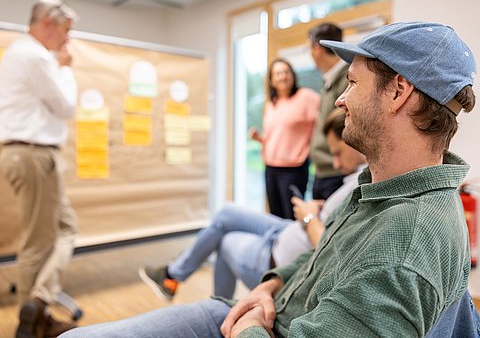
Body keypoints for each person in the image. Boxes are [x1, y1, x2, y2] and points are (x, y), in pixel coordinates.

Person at [61, 21, 476, 338]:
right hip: (263, 310)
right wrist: (271, 284)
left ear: (398, 91)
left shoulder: (404, 246)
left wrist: (251, 324)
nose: (343, 99)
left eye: (351, 83)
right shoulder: (378, 188)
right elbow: (322, 253)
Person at [139, 109, 366, 300]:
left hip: (281, 254)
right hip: (288, 230)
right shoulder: (360, 176)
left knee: (225, 241)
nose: (335, 162)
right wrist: (317, 211)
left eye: (337, 153)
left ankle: (181, 283)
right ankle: (173, 274)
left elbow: (331, 249)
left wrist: (308, 217)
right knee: (227, 213)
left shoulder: (364, 184)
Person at [0, 0, 79, 338]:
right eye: (66, 30)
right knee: (39, 242)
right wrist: (65, 68)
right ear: (48, 22)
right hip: (34, 155)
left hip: (30, 153)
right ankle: (32, 314)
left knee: (65, 228)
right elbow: (66, 107)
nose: (67, 39)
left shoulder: (23, 54)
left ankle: (39, 307)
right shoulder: (35, 56)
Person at [249, 58, 319, 219]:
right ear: (271, 80)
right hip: (270, 167)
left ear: (293, 76)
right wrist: (259, 138)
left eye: (286, 72)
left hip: (293, 169)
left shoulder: (306, 97)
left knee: (292, 217)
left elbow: (322, 125)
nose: (282, 76)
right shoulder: (272, 104)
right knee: (275, 216)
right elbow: (276, 137)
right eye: (278, 73)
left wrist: (312, 149)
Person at [308, 22, 349, 201]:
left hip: (335, 170)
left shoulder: (347, 78)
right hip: (323, 169)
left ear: (317, 48)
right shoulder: (329, 80)